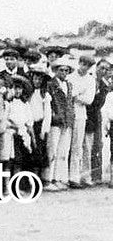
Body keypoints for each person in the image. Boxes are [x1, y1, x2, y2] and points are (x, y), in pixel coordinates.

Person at [44, 54, 75, 191]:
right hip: (56, 121)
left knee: (63, 151)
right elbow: (49, 104)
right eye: (61, 70)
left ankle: (59, 178)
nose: (63, 72)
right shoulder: (50, 84)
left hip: (67, 121)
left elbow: (70, 103)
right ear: (56, 70)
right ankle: (48, 179)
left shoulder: (69, 84)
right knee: (53, 150)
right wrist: (54, 116)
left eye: (66, 70)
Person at [68, 50, 97, 187]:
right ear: (79, 63)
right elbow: (68, 95)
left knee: (77, 146)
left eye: (87, 65)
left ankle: (75, 177)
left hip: (80, 114)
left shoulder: (90, 80)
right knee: (66, 144)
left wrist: (76, 95)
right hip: (68, 112)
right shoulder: (70, 77)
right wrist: (78, 93)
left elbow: (89, 100)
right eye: (83, 64)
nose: (84, 67)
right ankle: (64, 176)